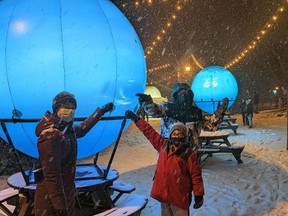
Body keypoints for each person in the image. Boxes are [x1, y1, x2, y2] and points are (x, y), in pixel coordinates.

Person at [34, 91, 115, 216]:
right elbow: (51, 175)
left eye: (73, 108)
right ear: (57, 109)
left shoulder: (66, 129)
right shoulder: (51, 135)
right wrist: (60, 206)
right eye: (66, 107)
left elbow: (82, 129)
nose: (70, 111)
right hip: (52, 201)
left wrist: (101, 112)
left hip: (65, 193)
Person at [125, 110, 204, 216]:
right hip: (164, 193)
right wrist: (137, 119)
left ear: (184, 136)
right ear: (170, 135)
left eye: (180, 134)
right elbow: (149, 132)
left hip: (179, 195)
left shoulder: (188, 153)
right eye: (174, 133)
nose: (177, 136)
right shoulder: (163, 145)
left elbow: (196, 175)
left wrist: (198, 194)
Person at [136, 83, 229, 149]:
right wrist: (147, 102)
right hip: (169, 152)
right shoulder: (167, 108)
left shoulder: (196, 112)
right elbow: (154, 111)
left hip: (190, 154)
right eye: (181, 92)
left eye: (186, 92)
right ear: (176, 94)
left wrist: (219, 113)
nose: (184, 95)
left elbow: (211, 126)